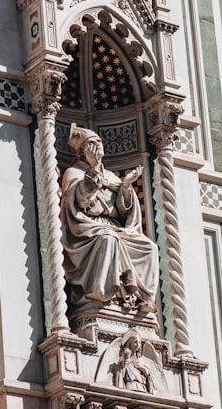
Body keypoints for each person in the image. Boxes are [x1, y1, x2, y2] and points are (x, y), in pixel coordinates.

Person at [61, 124, 158, 312]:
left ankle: (141, 299)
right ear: (82, 151)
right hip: (87, 226)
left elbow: (123, 212)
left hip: (114, 227)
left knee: (149, 247)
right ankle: (104, 294)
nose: (99, 146)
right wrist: (92, 177)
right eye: (93, 143)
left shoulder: (111, 176)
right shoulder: (74, 173)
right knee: (108, 238)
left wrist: (126, 187)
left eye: (99, 142)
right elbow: (78, 204)